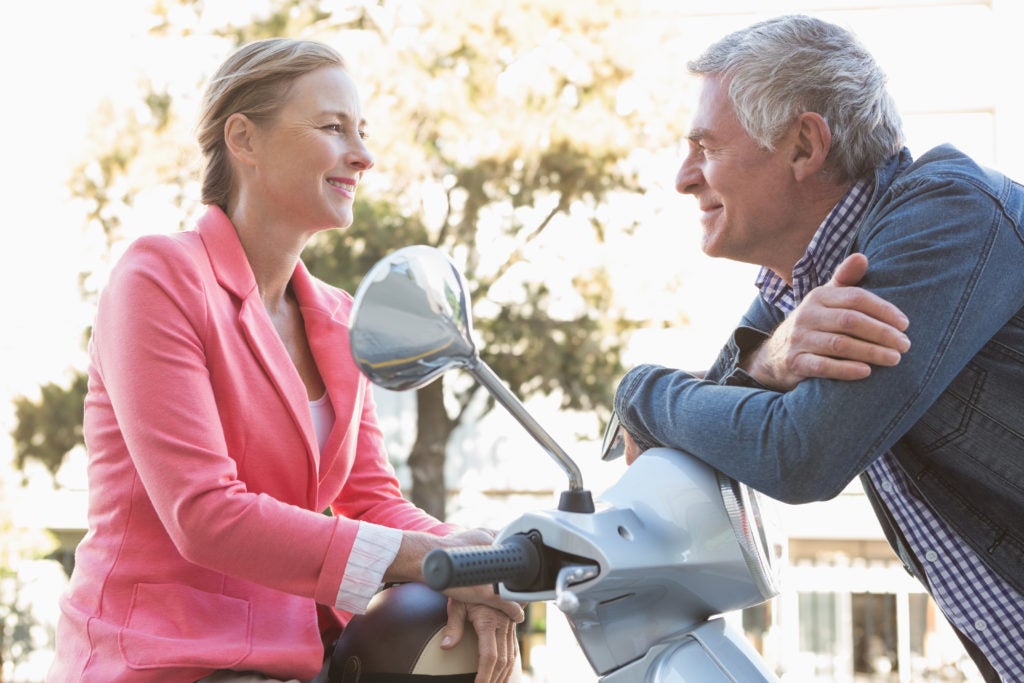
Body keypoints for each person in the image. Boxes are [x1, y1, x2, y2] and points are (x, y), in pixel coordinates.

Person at [49, 38, 523, 683]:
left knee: (444, 628)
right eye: (333, 128)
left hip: (301, 658)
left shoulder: (338, 316)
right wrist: (427, 556)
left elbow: (374, 500)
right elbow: (205, 516)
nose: (363, 154)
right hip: (164, 656)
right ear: (243, 138)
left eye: (362, 131)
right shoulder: (158, 276)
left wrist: (478, 568)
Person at [612, 15, 1023, 682]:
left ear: (804, 145)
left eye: (706, 147)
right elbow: (694, 432)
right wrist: (765, 357)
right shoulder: (796, 287)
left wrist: (638, 389)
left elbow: (801, 452)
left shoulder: (948, 214)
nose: (684, 177)